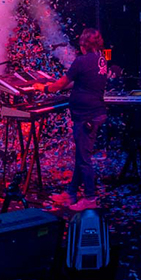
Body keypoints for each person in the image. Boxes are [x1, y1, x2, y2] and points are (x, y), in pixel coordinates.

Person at [35, 27, 108, 211]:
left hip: (86, 116)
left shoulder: (81, 61)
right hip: (95, 112)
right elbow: (85, 80)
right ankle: (71, 194)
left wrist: (42, 88)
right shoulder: (100, 59)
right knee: (81, 157)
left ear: (83, 45)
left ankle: (90, 199)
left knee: (84, 160)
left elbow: (59, 84)